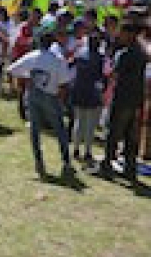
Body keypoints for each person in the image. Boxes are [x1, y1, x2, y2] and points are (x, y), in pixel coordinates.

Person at [9, 30, 75, 179]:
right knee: (59, 129)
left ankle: (39, 163)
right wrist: (62, 101)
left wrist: (28, 77)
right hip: (51, 95)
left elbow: (12, 69)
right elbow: (64, 83)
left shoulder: (32, 56)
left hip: (34, 94)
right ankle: (66, 162)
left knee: (35, 130)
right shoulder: (58, 59)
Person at [99, 22, 148, 185]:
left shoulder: (124, 54)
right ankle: (130, 169)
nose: (119, 36)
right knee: (130, 137)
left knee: (113, 133)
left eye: (122, 33)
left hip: (122, 98)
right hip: (136, 99)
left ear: (130, 34)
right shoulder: (142, 53)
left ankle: (107, 165)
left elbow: (114, 74)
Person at [70, 33, 105, 165]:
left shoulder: (79, 56)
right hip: (93, 93)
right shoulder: (100, 58)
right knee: (90, 125)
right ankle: (88, 152)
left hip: (78, 91)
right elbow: (102, 77)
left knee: (78, 121)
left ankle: (76, 149)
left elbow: (69, 65)